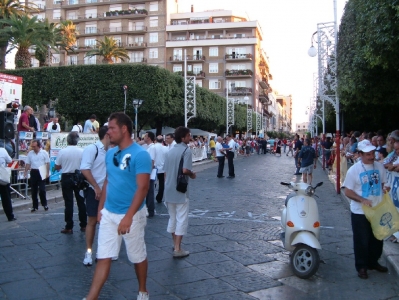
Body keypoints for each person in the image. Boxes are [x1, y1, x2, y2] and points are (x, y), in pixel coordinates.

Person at [84, 112, 151, 300]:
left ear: (124, 129)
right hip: (109, 213)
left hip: (132, 215)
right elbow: (108, 181)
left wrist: (128, 216)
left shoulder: (141, 154)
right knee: (103, 256)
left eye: (112, 128)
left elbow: (143, 188)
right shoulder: (110, 153)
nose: (108, 132)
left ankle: (143, 290)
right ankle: (91, 297)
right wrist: (100, 209)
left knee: (137, 256)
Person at [343, 139, 389, 280]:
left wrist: (385, 188)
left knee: (377, 238)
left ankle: (373, 262)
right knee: (361, 240)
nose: (371, 156)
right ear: (361, 154)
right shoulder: (354, 170)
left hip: (377, 209)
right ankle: (362, 266)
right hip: (360, 211)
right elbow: (347, 191)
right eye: (368, 154)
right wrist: (362, 200)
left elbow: (383, 183)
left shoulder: (379, 167)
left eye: (372, 153)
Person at [164, 126, 196, 258]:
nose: (190, 137)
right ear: (183, 137)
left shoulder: (170, 151)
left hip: (169, 188)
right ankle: (178, 248)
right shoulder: (186, 151)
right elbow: (185, 170)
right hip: (180, 189)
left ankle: (175, 243)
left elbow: (165, 172)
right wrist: (192, 174)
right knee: (181, 218)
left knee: (172, 218)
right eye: (189, 135)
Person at [81, 126, 110, 266]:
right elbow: (84, 169)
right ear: (107, 135)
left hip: (109, 191)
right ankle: (89, 252)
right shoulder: (93, 149)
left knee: (107, 222)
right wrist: (96, 187)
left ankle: (103, 251)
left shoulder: (113, 151)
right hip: (94, 191)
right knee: (92, 220)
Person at [55, 132, 86, 234]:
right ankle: (84, 224)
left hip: (67, 176)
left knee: (68, 203)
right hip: (79, 177)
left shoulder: (62, 151)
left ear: (67, 140)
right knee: (81, 202)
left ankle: (69, 226)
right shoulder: (82, 151)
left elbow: (57, 166)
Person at [24, 140, 49, 212]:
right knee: (33, 190)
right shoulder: (30, 153)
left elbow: (47, 163)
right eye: (32, 146)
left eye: (34, 146)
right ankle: (34, 206)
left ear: (38, 146)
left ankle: (44, 204)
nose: (33, 148)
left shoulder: (44, 153)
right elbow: (28, 163)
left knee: (42, 189)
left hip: (42, 170)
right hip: (34, 171)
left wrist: (47, 172)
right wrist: (25, 171)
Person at [0, 147, 16, 221]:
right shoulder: (2, 150)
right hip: (2, 177)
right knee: (6, 197)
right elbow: (9, 160)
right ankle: (10, 216)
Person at [143, 131, 156, 217]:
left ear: (149, 138)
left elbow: (151, 162)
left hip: (149, 173)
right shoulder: (148, 147)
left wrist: (148, 173)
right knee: (148, 192)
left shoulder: (151, 148)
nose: (144, 137)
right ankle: (149, 208)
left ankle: (150, 210)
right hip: (148, 173)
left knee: (149, 192)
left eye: (145, 136)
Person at [154, 135, 167, 203]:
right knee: (161, 184)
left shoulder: (153, 147)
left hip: (154, 168)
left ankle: (151, 196)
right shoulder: (165, 148)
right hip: (162, 168)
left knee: (153, 184)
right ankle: (159, 197)